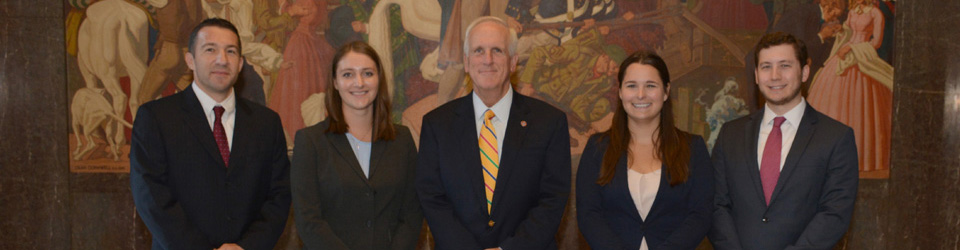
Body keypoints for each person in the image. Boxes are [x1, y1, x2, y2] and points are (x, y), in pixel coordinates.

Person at [130, 18, 291, 250]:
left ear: (240, 63)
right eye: (210, 50)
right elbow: (151, 196)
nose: (222, 60)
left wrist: (247, 247)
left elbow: (279, 196)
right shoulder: (156, 118)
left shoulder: (266, 123)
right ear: (190, 60)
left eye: (231, 51)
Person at [416, 16, 572, 250]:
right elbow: (432, 199)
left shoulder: (549, 122)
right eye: (479, 51)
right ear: (467, 63)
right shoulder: (437, 125)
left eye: (497, 50)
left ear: (513, 62)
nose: (487, 60)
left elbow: (552, 199)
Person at [709, 32, 859, 250]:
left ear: (805, 71)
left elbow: (834, 212)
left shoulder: (836, 137)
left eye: (785, 66)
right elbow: (716, 205)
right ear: (757, 75)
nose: (775, 76)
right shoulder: (730, 134)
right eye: (766, 67)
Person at [291, 41, 422, 249]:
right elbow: (309, 221)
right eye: (348, 74)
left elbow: (412, 214)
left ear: (379, 79)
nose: (359, 83)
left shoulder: (402, 140)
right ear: (334, 82)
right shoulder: (310, 141)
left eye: (368, 73)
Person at [576, 51, 714, 250]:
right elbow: (589, 214)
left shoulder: (693, 148)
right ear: (621, 92)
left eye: (650, 86)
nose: (641, 94)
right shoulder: (597, 148)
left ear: (666, 91)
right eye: (632, 86)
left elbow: (700, 214)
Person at [807, 0, 893, 173]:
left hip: (861, 58)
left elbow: (876, 43)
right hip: (843, 54)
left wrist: (852, 49)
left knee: (862, 106)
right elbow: (848, 32)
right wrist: (841, 31)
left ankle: (861, 159)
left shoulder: (876, 13)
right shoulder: (853, 12)